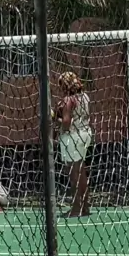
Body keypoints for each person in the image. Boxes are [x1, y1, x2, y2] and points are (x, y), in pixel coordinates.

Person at [53, 71, 92, 217]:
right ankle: (85, 206)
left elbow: (66, 123)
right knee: (81, 172)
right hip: (85, 134)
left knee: (74, 174)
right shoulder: (85, 97)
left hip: (72, 138)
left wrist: (54, 118)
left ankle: (76, 208)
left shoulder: (69, 100)